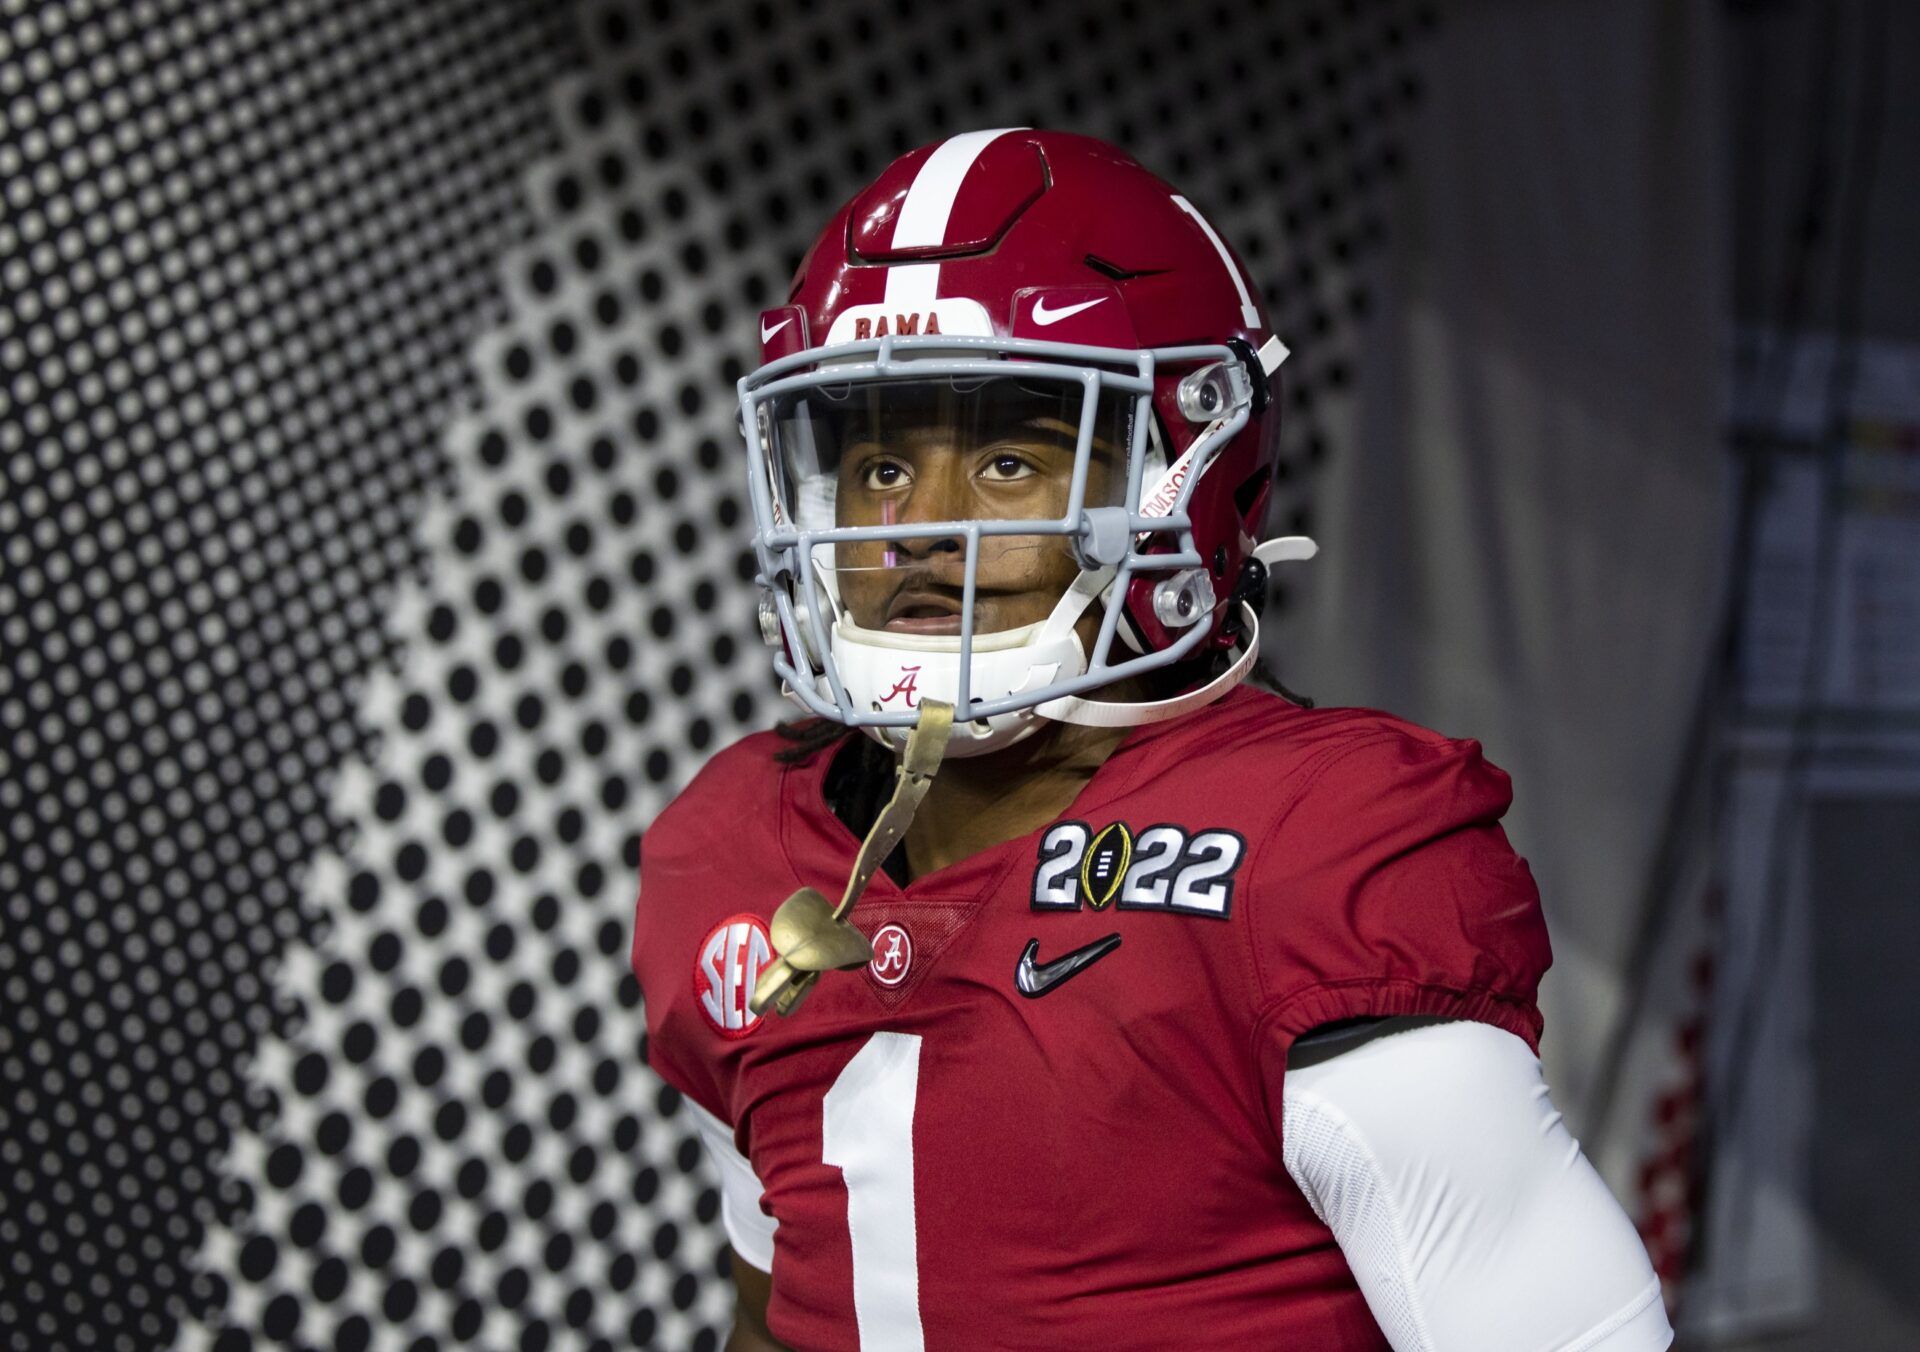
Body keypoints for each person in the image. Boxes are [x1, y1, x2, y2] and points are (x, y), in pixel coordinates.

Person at [629, 129, 1671, 1351]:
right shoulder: (736, 850)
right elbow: (777, 1317)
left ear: (1187, 473)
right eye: (876, 465)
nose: (920, 527)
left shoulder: (1311, 850)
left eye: (1010, 459)